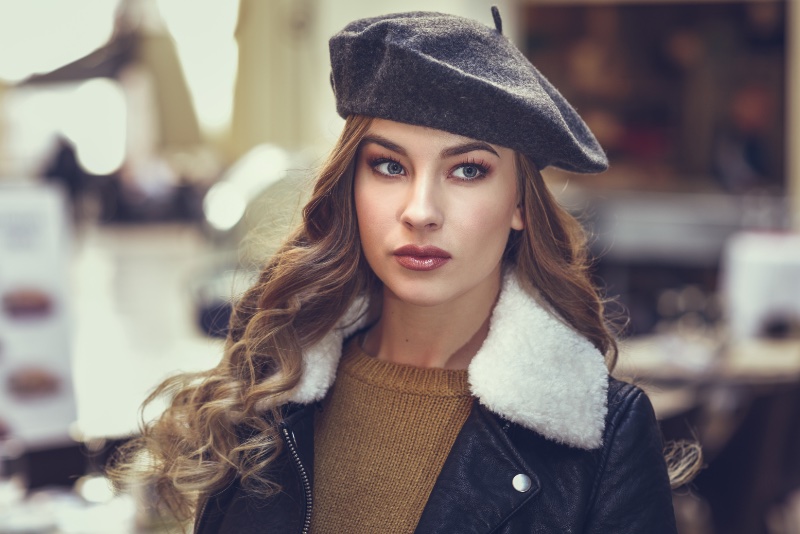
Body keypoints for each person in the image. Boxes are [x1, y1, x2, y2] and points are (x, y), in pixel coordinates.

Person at [112, 8, 691, 533]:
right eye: (389, 166)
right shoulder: (268, 389)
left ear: (519, 204)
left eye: (467, 171)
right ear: (351, 187)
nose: (420, 212)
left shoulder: (605, 435)